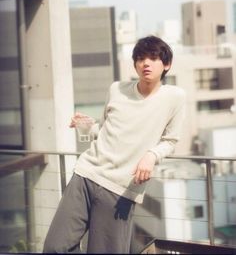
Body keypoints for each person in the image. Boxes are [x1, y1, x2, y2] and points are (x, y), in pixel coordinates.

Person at [43, 35, 186, 254]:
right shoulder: (117, 89)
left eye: (153, 58)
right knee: (55, 247)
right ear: (135, 64)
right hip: (86, 174)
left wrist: (151, 155)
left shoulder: (175, 97)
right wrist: (86, 126)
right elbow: (104, 130)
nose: (145, 63)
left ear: (166, 64)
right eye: (140, 58)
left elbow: (170, 141)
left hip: (120, 189)